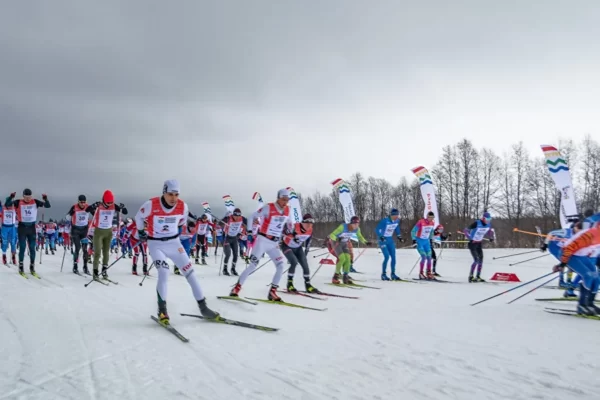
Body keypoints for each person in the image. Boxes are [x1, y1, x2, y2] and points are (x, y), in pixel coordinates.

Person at [135, 179, 219, 325]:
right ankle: (162, 310)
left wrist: (177, 231)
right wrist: (141, 231)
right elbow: (138, 217)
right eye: (170, 194)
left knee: (190, 273)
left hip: (174, 243)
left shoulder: (183, 206)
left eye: (176, 194)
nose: (173, 198)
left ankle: (203, 308)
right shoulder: (151, 204)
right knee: (164, 272)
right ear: (164, 192)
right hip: (156, 244)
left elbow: (181, 222)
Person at [229, 189, 292, 301]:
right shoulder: (269, 207)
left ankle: (272, 292)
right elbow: (252, 216)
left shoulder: (287, 210)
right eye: (283, 200)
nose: (285, 202)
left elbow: (289, 223)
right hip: (263, 240)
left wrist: (290, 231)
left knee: (281, 265)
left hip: (274, 243)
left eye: (287, 200)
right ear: (278, 198)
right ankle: (236, 288)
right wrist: (249, 232)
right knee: (253, 265)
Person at [549, 223, 600, 315]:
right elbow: (569, 247)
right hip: (569, 254)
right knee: (587, 275)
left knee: (596, 278)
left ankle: (590, 304)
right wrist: (563, 263)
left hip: (581, 255)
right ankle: (582, 305)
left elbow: (594, 251)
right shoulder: (590, 235)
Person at [4, 189, 51, 275]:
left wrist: (45, 199)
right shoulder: (18, 202)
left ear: (31, 196)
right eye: (26, 197)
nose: (28, 199)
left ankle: (32, 266)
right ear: (23, 196)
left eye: (29, 197)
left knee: (32, 248)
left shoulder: (35, 202)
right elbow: (7, 204)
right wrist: (11, 197)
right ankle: (21, 265)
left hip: (32, 228)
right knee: (22, 247)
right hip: (22, 227)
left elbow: (48, 206)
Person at [89, 190, 128, 279]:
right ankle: (95, 271)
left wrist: (123, 207)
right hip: (98, 232)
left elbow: (125, 212)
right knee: (98, 252)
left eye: (111, 202)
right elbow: (88, 210)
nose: (110, 204)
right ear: (104, 200)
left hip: (108, 232)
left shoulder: (114, 206)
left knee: (106, 252)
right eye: (108, 202)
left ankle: (104, 270)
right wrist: (92, 206)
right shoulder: (99, 206)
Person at [328, 216, 371, 285]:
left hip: (344, 243)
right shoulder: (343, 227)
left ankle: (345, 277)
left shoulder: (357, 229)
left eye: (357, 224)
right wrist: (336, 238)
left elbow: (360, 236)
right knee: (342, 258)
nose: (356, 226)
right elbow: (332, 235)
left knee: (348, 258)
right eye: (355, 224)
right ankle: (335, 277)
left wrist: (366, 242)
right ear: (351, 223)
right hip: (336, 243)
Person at [283, 213, 319, 293]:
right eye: (308, 223)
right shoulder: (294, 226)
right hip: (286, 246)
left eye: (311, 223)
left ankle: (308, 285)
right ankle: (290, 284)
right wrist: (292, 236)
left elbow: (308, 242)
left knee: (305, 265)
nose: (309, 225)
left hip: (298, 248)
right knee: (294, 263)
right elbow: (284, 232)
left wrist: (306, 252)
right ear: (302, 222)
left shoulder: (310, 230)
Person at [463, 211, 495, 282]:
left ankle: (478, 276)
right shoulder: (477, 223)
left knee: (481, 260)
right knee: (476, 260)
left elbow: (489, 232)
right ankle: (471, 276)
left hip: (479, 244)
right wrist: (470, 238)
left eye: (489, 220)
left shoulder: (488, 224)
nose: (488, 221)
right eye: (487, 219)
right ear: (483, 218)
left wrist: (491, 237)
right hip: (472, 244)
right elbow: (465, 230)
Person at [375, 208, 402, 280]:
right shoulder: (385, 221)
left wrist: (399, 236)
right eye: (395, 215)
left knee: (393, 257)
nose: (396, 217)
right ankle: (383, 274)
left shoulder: (397, 221)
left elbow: (397, 228)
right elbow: (377, 229)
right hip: (383, 240)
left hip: (390, 240)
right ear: (391, 215)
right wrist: (381, 236)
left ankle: (393, 274)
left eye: (397, 215)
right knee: (387, 257)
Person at [221, 208, 247, 276]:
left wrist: (248, 231)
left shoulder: (242, 218)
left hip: (234, 238)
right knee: (228, 254)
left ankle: (233, 269)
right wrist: (224, 220)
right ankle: (225, 269)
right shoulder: (228, 218)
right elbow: (220, 223)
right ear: (233, 215)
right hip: (227, 238)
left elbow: (247, 225)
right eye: (235, 216)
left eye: (238, 216)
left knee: (236, 254)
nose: (237, 217)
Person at [411, 211, 436, 280]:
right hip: (419, 241)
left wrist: (431, 239)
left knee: (429, 257)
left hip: (426, 242)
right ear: (427, 217)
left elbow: (431, 231)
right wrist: (414, 240)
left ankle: (428, 273)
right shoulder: (421, 222)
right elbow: (413, 231)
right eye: (429, 217)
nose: (431, 219)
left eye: (432, 217)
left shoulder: (432, 223)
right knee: (424, 257)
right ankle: (421, 273)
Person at [1, 199, 18, 265]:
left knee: (13, 242)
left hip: (12, 227)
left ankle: (13, 257)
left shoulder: (14, 208)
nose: (9, 207)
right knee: (4, 242)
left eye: (10, 205)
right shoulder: (3, 208)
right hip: (4, 227)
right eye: (7, 205)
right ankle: (4, 256)